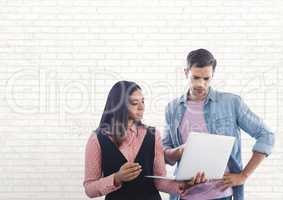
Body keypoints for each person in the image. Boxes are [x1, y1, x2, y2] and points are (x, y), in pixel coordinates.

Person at [162, 49, 275, 200]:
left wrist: (244, 175)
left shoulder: (231, 103)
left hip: (221, 195)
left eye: (206, 79)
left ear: (212, 76)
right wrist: (179, 151)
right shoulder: (172, 108)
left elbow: (266, 135)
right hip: (184, 195)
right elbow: (165, 153)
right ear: (185, 72)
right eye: (195, 77)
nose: (201, 84)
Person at [83, 80, 207, 200]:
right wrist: (116, 178)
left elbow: (159, 181)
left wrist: (185, 184)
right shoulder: (97, 139)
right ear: (118, 105)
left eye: (143, 101)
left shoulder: (153, 135)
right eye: (135, 103)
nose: (141, 107)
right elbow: (89, 189)